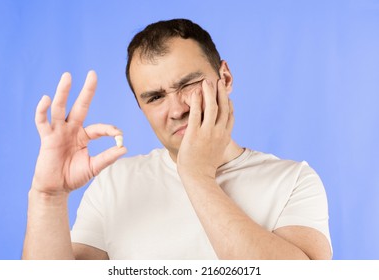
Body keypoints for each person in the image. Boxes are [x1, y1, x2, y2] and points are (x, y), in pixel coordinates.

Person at [22, 19, 332, 260]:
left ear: (225, 78)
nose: (176, 109)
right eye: (155, 97)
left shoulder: (293, 181)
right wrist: (48, 197)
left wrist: (196, 174)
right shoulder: (114, 184)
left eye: (189, 84)